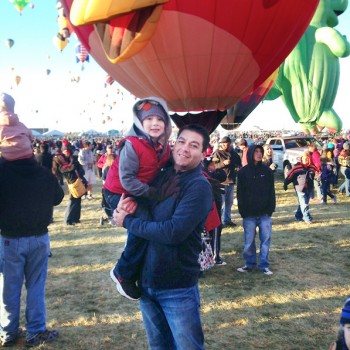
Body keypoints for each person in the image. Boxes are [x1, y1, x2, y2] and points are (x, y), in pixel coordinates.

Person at [113, 123, 213, 350]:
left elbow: (173, 232)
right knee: (158, 347)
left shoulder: (198, 187)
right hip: (147, 283)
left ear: (204, 152)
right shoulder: (160, 175)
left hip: (176, 287)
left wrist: (128, 222)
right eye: (182, 141)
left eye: (194, 145)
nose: (185, 149)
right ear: (174, 143)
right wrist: (125, 208)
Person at [0, 92, 64, 348]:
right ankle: (36, 329)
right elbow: (58, 197)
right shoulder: (41, 173)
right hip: (39, 238)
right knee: (36, 287)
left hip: (9, 240)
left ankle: (8, 331)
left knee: (8, 289)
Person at [107, 97, 173, 300]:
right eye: (149, 119)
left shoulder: (163, 147)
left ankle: (139, 269)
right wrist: (154, 193)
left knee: (154, 222)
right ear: (140, 122)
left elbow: (171, 167)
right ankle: (122, 272)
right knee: (142, 225)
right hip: (119, 192)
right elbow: (127, 180)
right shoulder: (132, 145)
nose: (155, 123)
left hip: (140, 192)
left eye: (159, 119)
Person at [236, 144, 276, 275]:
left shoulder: (267, 171)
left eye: (261, 152)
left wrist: (270, 209)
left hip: (264, 213)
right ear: (251, 153)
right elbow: (240, 193)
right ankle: (249, 264)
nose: (259, 154)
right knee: (249, 242)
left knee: (265, 240)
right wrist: (243, 210)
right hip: (249, 214)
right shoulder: (243, 172)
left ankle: (264, 265)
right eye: (256, 151)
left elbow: (272, 191)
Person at [52, 145, 87, 225]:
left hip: (77, 183)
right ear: (57, 161)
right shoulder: (62, 167)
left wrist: (72, 159)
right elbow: (72, 168)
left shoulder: (68, 162)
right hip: (73, 185)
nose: (62, 158)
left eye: (62, 157)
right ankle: (68, 220)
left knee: (78, 202)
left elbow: (77, 167)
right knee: (72, 202)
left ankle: (76, 218)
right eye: (60, 158)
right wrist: (73, 160)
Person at [202, 155, 227, 266]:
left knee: (214, 233)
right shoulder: (205, 176)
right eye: (211, 165)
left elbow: (223, 175)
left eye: (214, 164)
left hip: (215, 207)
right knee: (213, 232)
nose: (214, 166)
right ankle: (214, 257)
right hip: (212, 209)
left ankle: (213, 255)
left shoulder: (214, 174)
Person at [212, 136, 241, 227]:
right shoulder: (217, 153)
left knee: (229, 202)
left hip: (231, 180)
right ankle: (218, 222)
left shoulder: (234, 154)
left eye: (227, 143)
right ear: (221, 144)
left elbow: (238, 165)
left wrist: (237, 168)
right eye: (224, 143)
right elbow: (213, 166)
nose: (226, 145)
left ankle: (227, 219)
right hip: (221, 181)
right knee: (221, 202)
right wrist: (222, 164)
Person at [283, 152, 318, 224]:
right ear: (301, 159)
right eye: (304, 159)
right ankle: (307, 218)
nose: (306, 160)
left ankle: (298, 215)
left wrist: (318, 177)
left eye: (307, 159)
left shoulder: (312, 167)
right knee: (304, 204)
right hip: (300, 188)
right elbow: (290, 175)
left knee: (303, 203)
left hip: (309, 187)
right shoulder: (297, 167)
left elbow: (318, 173)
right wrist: (285, 183)